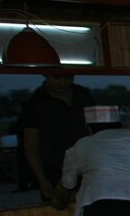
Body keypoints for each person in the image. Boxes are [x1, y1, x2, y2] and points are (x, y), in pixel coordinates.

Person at [19, 73, 95, 202]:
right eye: (56, 77)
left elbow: (94, 128)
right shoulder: (36, 102)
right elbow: (30, 145)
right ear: (45, 75)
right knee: (58, 208)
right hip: (53, 168)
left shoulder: (83, 94)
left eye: (68, 77)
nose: (62, 82)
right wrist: (42, 179)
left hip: (86, 164)